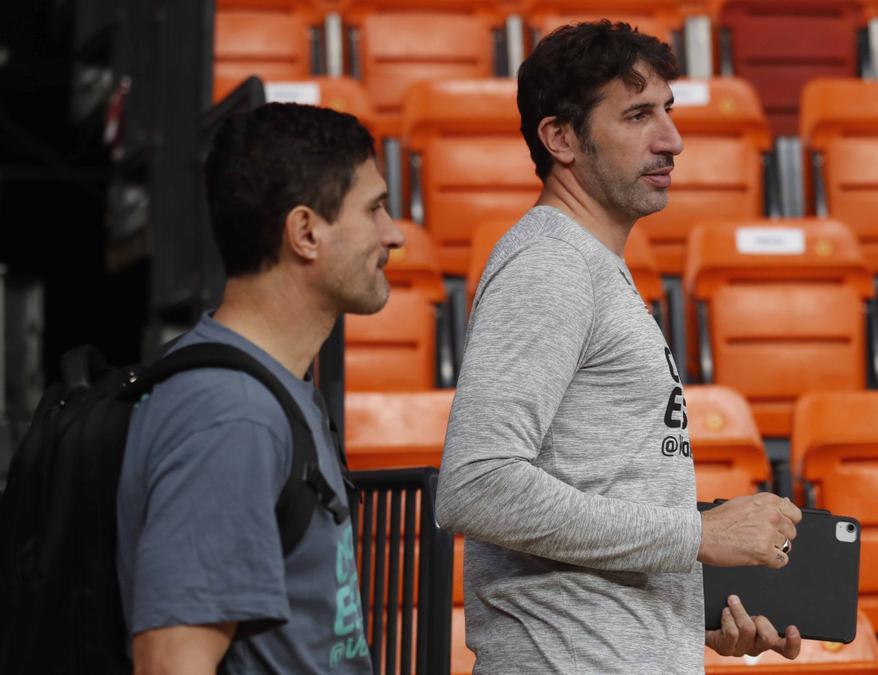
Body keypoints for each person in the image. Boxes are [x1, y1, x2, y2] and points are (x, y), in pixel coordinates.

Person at [435, 21, 804, 673]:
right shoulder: (549, 264)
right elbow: (478, 484)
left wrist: (693, 614)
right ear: (560, 138)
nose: (672, 140)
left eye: (668, 111)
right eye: (638, 115)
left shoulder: (587, 265)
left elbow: (597, 498)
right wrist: (699, 534)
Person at [116, 103, 402, 673]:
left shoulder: (271, 389)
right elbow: (172, 663)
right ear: (305, 232)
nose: (394, 234)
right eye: (374, 208)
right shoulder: (231, 415)